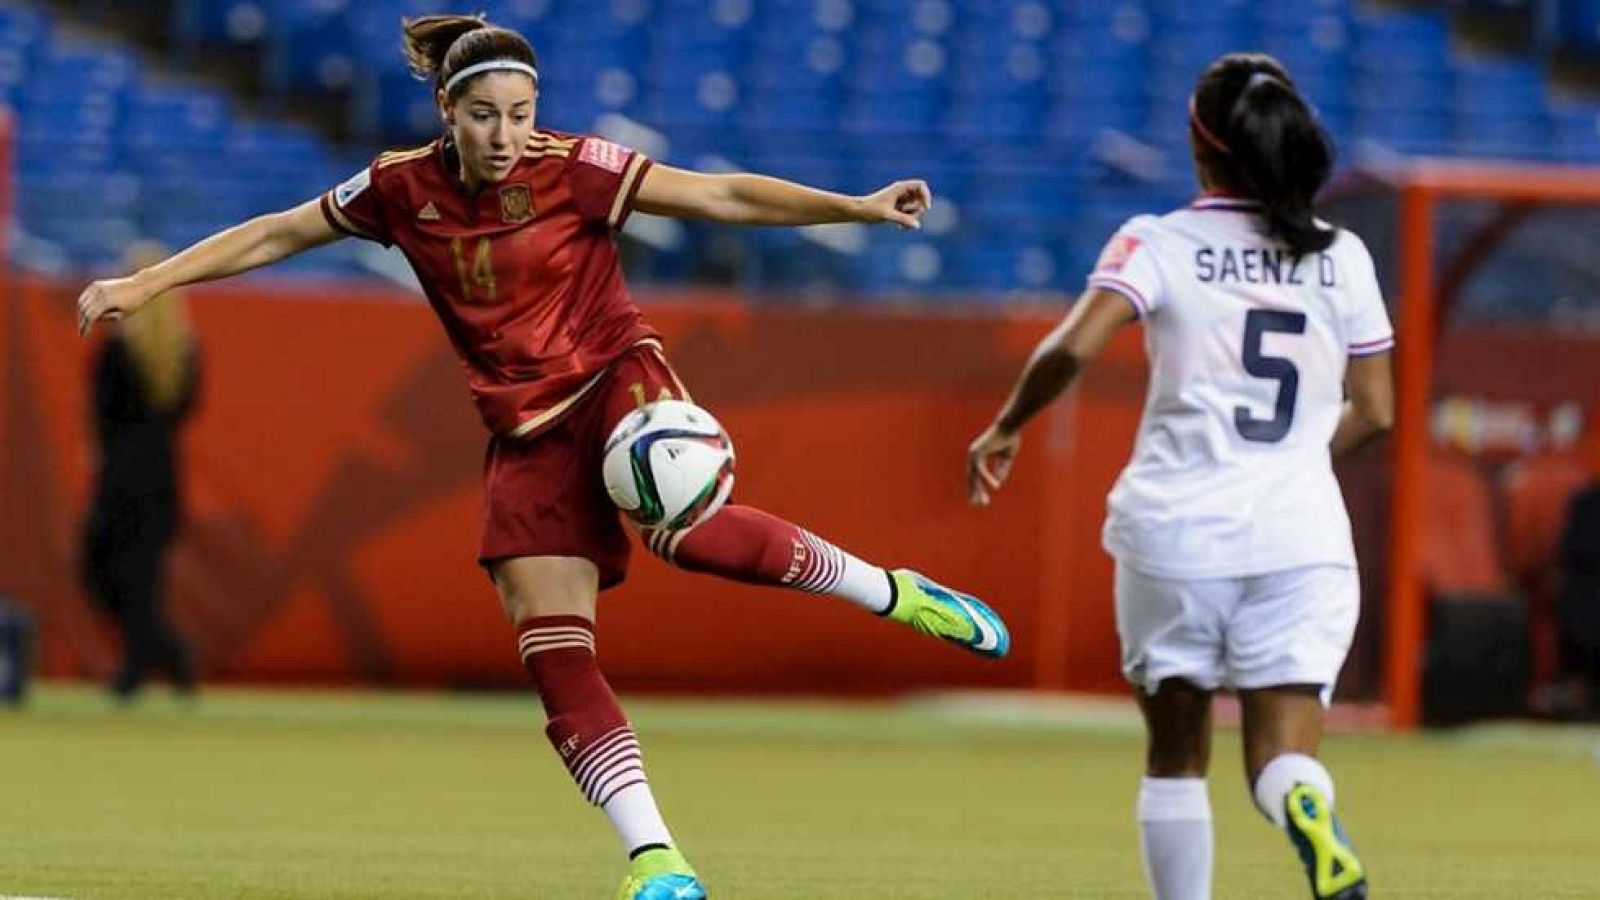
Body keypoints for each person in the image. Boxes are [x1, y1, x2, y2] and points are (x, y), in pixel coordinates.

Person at [75, 14, 1010, 900]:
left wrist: (854, 206)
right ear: (448, 112)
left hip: (614, 380)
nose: (507, 135)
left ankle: (895, 593)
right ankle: (657, 858)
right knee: (553, 649)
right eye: (485, 115)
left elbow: (718, 194)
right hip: (524, 429)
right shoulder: (400, 187)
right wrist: (148, 281)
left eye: (520, 114)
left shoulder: (578, 167)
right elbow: (280, 230)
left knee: (686, 532)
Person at [967, 53, 1392, 900]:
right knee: (1282, 757)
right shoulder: (1341, 255)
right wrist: (1297, 457)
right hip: (1301, 539)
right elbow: (1377, 410)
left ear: (1201, 150)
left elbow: (1070, 351)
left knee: (1175, 758)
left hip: (1177, 535)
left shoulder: (1157, 242)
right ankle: (1308, 810)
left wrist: (1007, 424)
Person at [81, 242, 201, 701]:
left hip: (120, 475)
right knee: (141, 578)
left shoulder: (117, 350)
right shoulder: (182, 350)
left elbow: (101, 417)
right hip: (162, 475)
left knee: (102, 570)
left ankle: (141, 666)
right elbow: (187, 408)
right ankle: (166, 655)